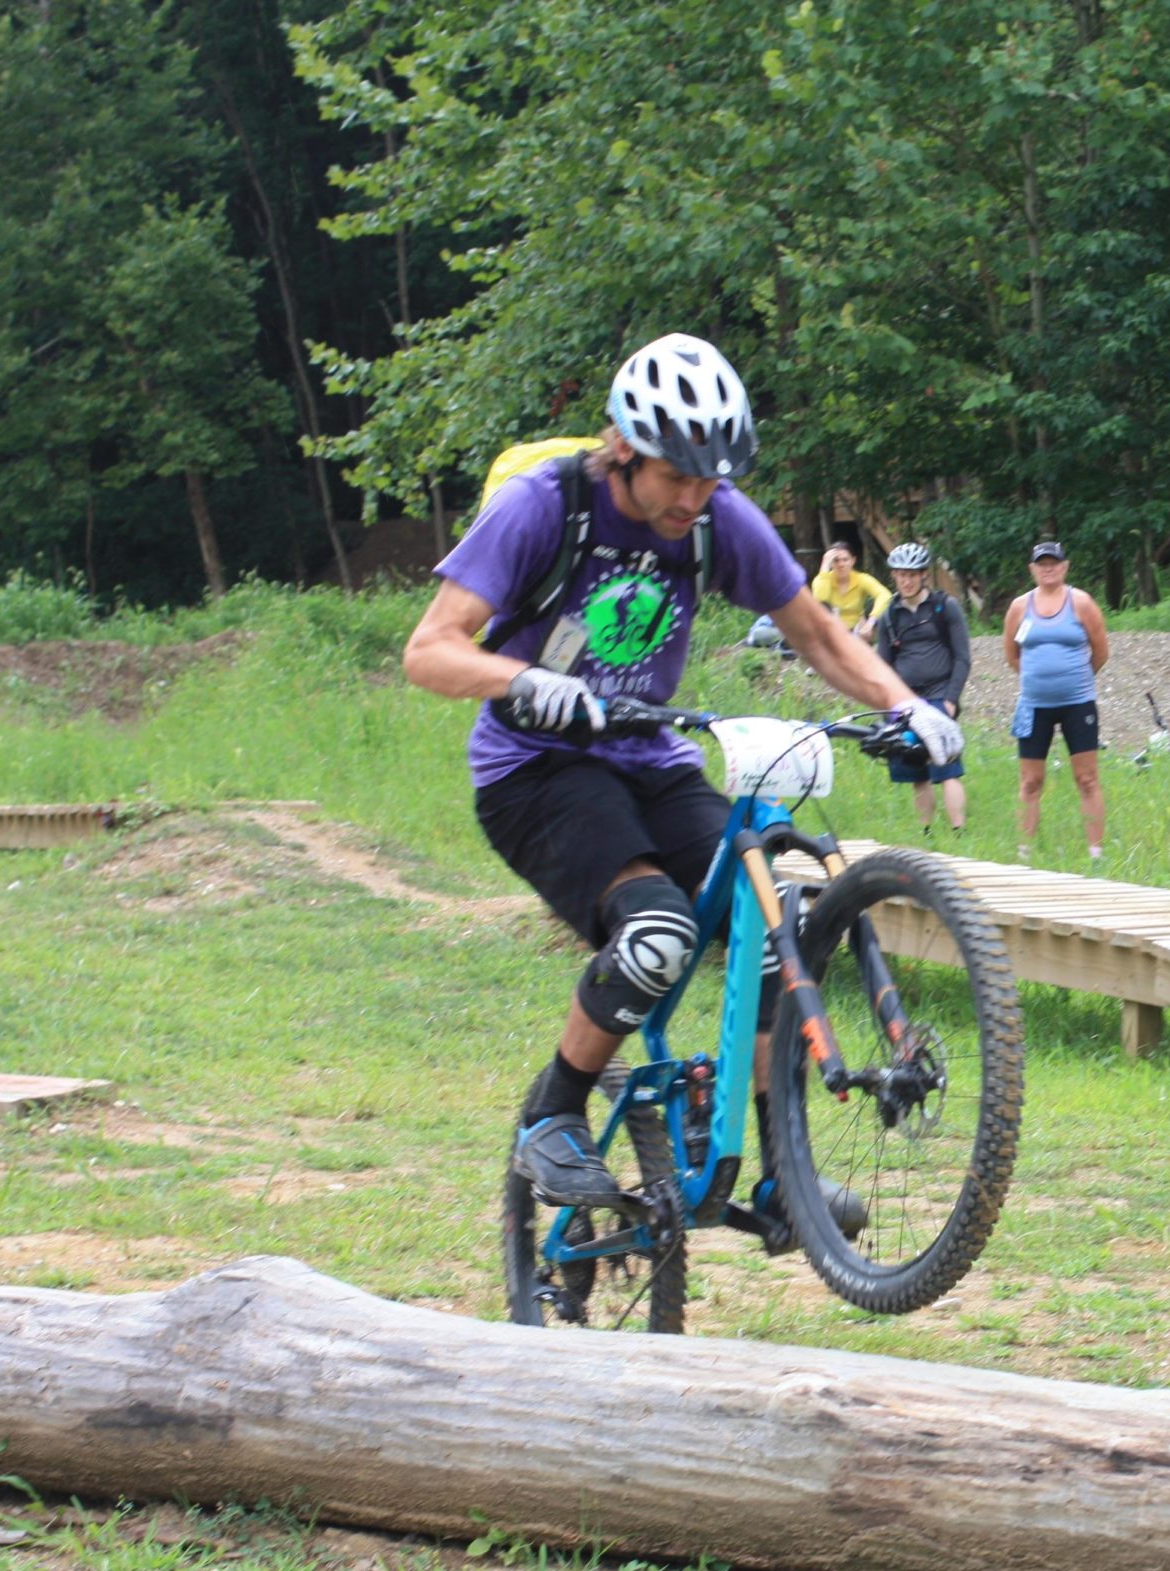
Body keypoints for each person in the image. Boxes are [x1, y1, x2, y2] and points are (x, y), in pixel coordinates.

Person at [399, 333, 961, 1209]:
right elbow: (429, 651)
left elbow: (815, 633)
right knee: (657, 931)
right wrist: (528, 681)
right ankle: (551, 1115)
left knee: (777, 922)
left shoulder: (713, 517)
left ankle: (786, 1173)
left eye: (711, 480)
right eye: (677, 476)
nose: (694, 499)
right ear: (624, 447)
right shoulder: (543, 508)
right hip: (535, 769)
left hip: (650, 757)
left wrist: (908, 708)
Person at [1002, 540, 1110, 863]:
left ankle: (1096, 854)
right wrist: (1037, 679)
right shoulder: (1020, 607)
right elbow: (1011, 654)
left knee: (1087, 779)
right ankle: (1025, 852)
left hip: (1078, 702)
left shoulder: (1081, 603)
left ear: (1065, 567)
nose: (1048, 568)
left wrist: (1076, 679)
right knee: (1031, 780)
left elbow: (1101, 651)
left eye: (1054, 563)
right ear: (1032, 569)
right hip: (1034, 705)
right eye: (1042, 563)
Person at [873, 540, 972, 837]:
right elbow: (883, 665)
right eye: (900, 574)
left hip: (940, 695)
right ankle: (926, 832)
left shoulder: (944, 607)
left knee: (946, 766)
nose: (906, 580)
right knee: (917, 769)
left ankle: (959, 832)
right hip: (905, 703)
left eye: (912, 574)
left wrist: (952, 700)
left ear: (923, 575)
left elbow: (962, 657)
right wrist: (888, 705)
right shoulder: (890, 615)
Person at [809, 544, 892, 640]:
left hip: (855, 632)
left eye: (845, 560)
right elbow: (820, 599)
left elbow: (885, 595)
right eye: (836, 560)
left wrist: (870, 622)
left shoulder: (862, 579)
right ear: (831, 563)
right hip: (829, 632)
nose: (841, 564)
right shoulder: (823, 580)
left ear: (853, 560)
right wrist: (824, 567)